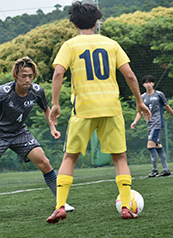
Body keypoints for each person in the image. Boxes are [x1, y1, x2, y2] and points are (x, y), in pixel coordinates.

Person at [46, 2, 151, 223]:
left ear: (74, 23)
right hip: (111, 108)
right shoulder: (111, 44)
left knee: (70, 157)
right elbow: (130, 75)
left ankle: (60, 206)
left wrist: (55, 104)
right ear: (97, 21)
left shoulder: (70, 45)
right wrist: (139, 102)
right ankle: (126, 206)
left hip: (83, 110)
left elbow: (58, 73)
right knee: (120, 158)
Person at [0, 57, 75, 220]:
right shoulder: (3, 92)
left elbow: (46, 109)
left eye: (30, 76)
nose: (27, 79)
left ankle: (60, 203)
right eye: (24, 75)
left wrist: (52, 127)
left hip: (20, 132)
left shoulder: (36, 91)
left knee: (45, 162)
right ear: (16, 76)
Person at [131, 75, 172, 177]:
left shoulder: (159, 95)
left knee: (150, 145)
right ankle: (166, 170)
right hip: (150, 125)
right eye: (146, 82)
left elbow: (167, 106)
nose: (148, 84)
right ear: (143, 84)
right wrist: (135, 122)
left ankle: (154, 170)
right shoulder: (142, 97)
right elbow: (140, 112)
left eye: (150, 82)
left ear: (153, 83)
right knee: (158, 146)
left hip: (158, 124)